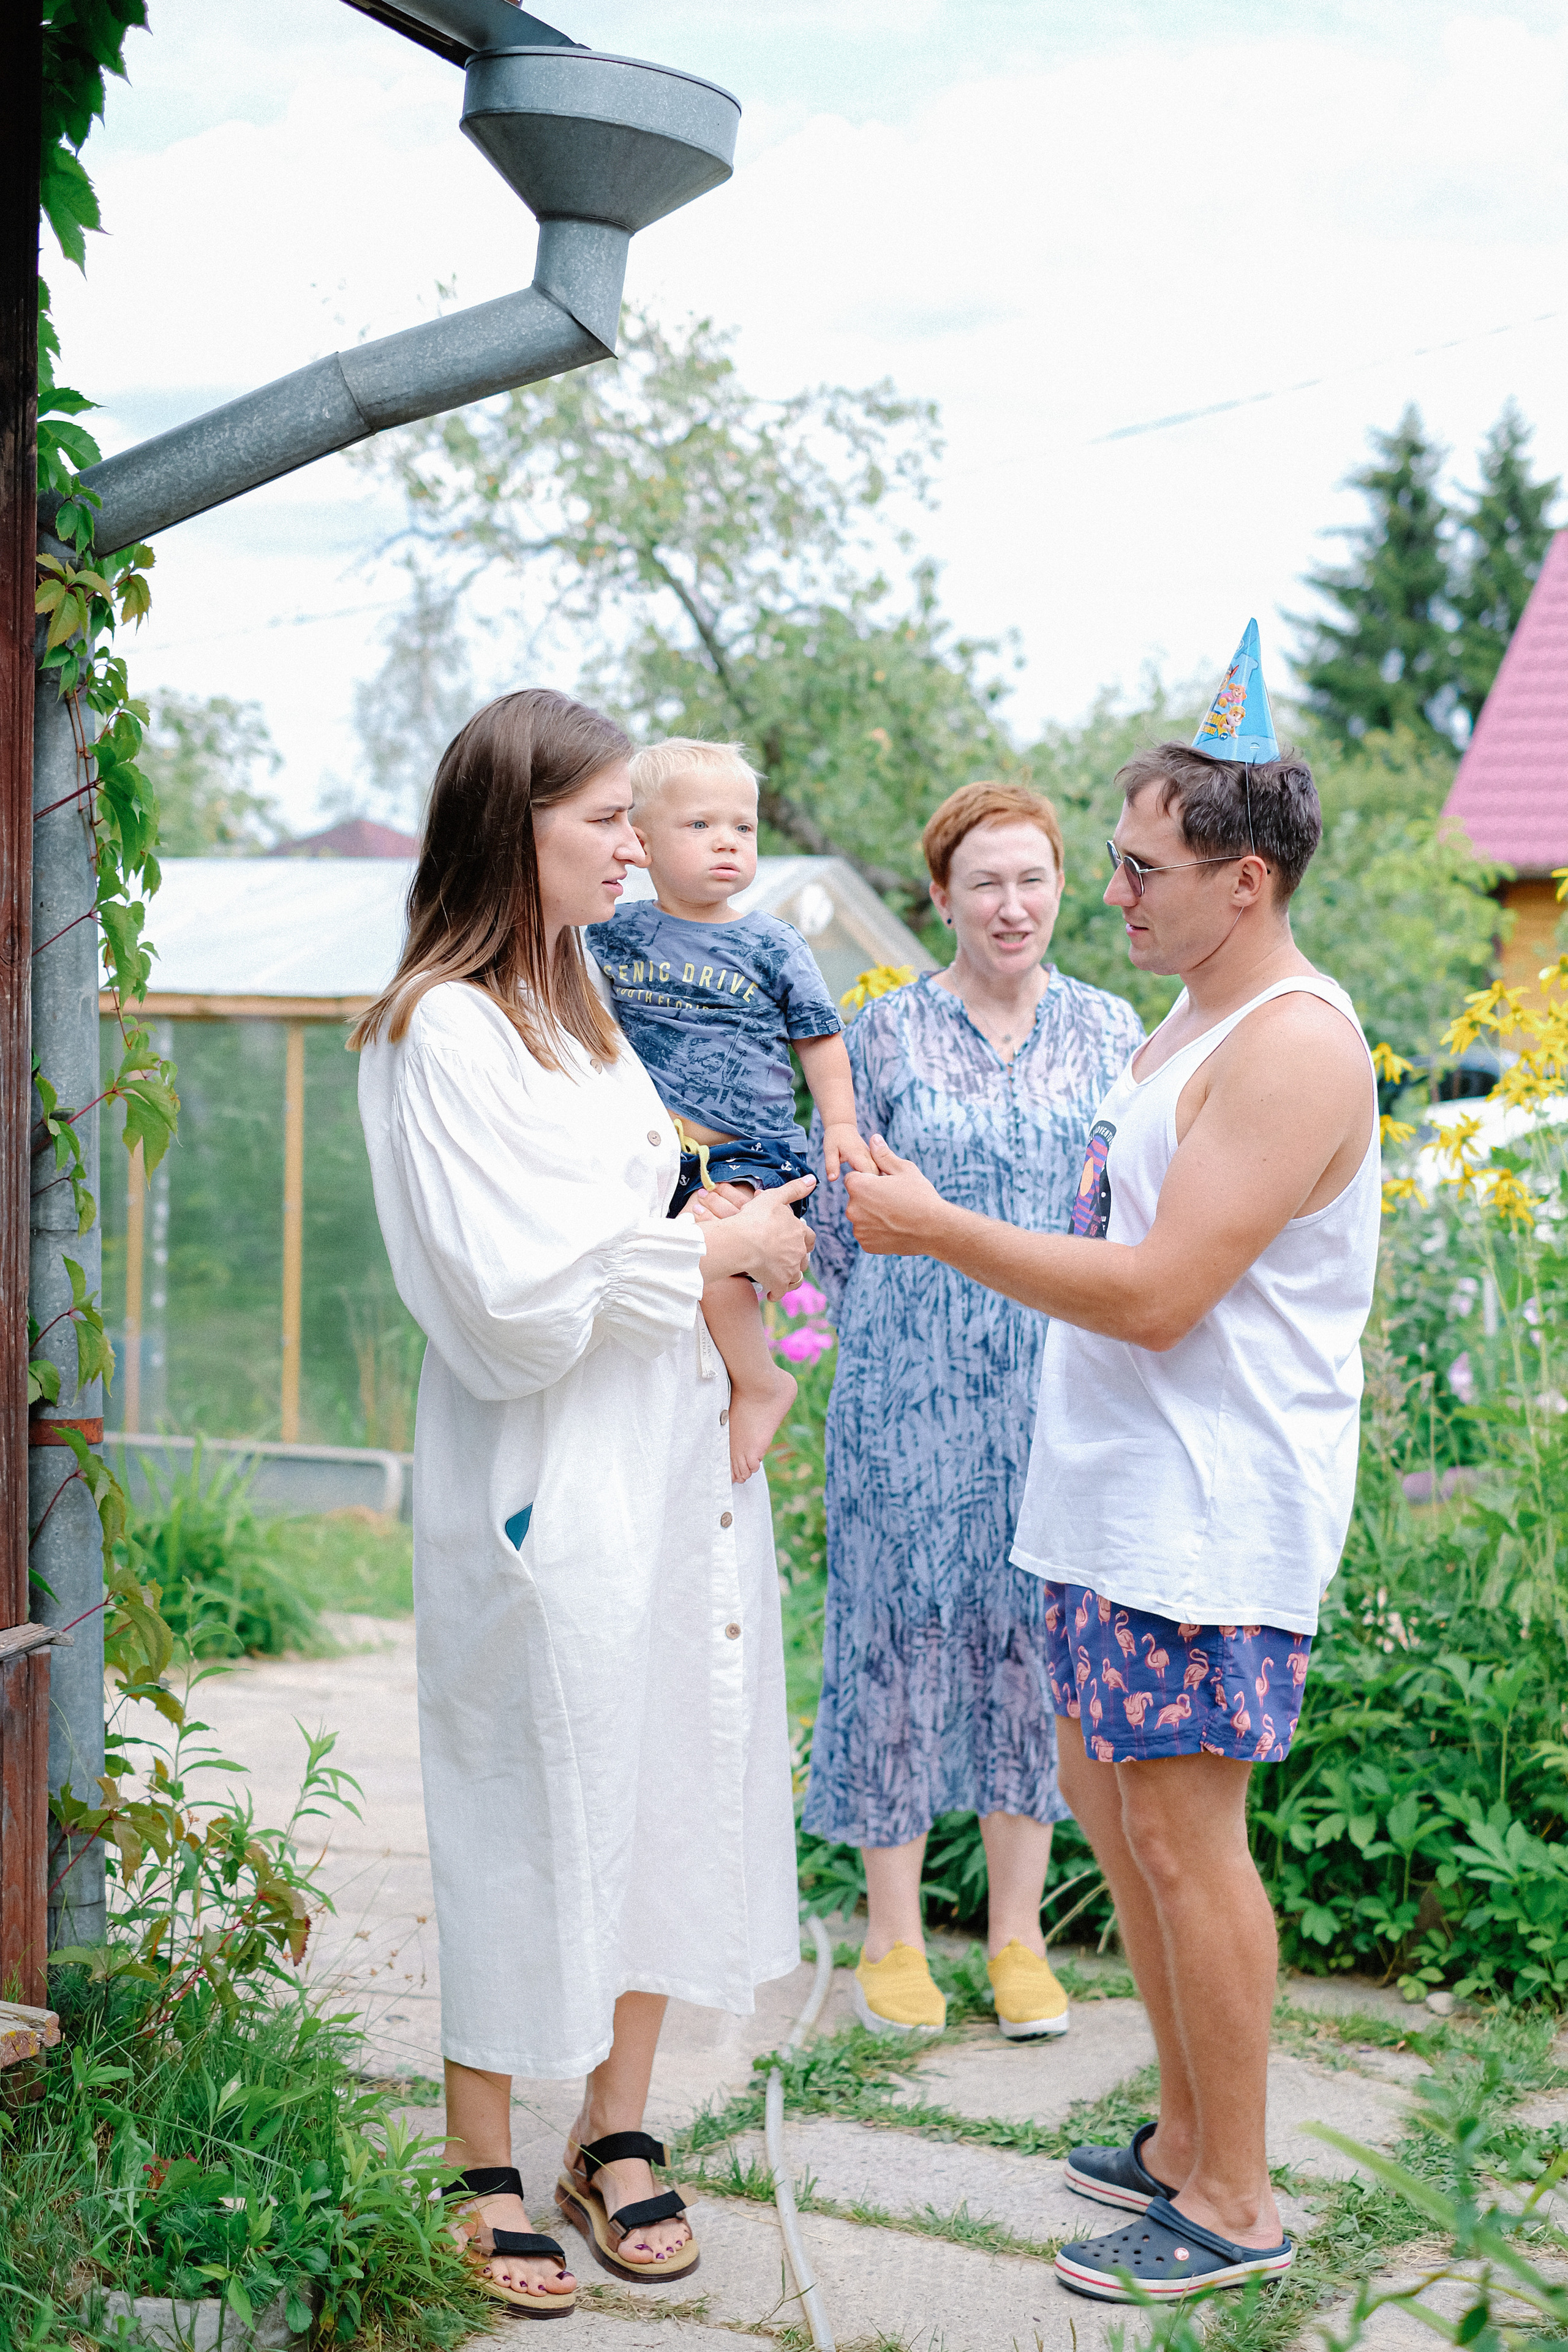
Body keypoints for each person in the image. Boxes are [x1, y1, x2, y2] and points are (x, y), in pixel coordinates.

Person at [840, 638, 1379, 2302]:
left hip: (1206, 1513)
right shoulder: (1188, 1014)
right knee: (1113, 1807)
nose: (1111, 890)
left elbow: (1156, 1296)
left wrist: (938, 1229)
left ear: (1245, 879)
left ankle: (1234, 2200)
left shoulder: (1291, 1045)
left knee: (1186, 1836)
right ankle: (1179, 2131)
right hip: (1112, 1498)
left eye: (1142, 867)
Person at [353, 691, 814, 2316]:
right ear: (516, 825)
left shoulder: (581, 1001)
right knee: (521, 1796)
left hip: (670, 1460)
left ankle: (613, 2129)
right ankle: (477, 2150)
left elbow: (638, 1211)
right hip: (546, 1476)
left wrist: (723, 1236)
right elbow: (505, 1301)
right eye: (609, 818)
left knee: (668, 1775)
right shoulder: (439, 1030)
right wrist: (715, 1248)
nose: (636, 846)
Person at [803, 781, 1144, 2041]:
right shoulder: (882, 1036)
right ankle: (892, 1937)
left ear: (1061, 889)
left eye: (1032, 879)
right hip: (904, 1392)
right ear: (941, 896)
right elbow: (833, 1224)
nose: (1011, 905)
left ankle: (1016, 1938)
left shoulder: (1113, 1030)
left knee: (1032, 1649)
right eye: (984, 882)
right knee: (892, 1640)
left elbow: (1134, 1206)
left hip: (1060, 1393)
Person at [586, 739, 875, 1484]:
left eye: (742, 827)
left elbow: (819, 1038)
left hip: (754, 1150)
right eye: (700, 825)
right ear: (641, 843)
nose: (727, 842)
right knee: (667, 1275)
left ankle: (763, 1381)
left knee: (717, 1254)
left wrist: (841, 1125)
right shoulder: (610, 932)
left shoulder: (772, 943)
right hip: (661, 1157)